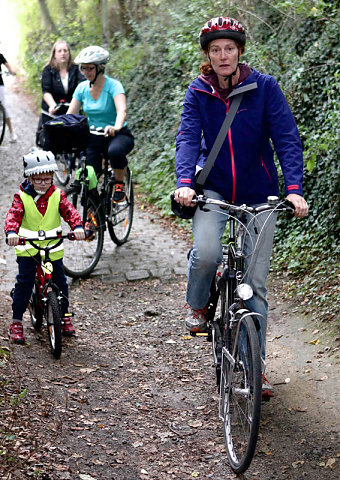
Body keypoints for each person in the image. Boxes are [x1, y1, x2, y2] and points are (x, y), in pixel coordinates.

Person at [173, 16, 308, 394]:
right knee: (206, 253)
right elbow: (187, 139)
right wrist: (185, 184)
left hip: (259, 192)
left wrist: (293, 188)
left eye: (229, 48)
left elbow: (286, 138)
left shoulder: (264, 88)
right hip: (213, 189)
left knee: (255, 285)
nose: (223, 55)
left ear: (240, 51)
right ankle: (198, 305)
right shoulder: (199, 91)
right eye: (215, 49)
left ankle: (255, 366)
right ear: (207, 55)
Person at [5, 150, 85, 344]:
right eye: (38, 179)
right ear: (30, 178)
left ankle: (64, 316)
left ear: (52, 178)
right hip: (28, 246)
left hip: (52, 245)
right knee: (24, 282)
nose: (43, 183)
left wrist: (77, 226)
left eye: (47, 179)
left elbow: (69, 211)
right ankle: (16, 321)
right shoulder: (21, 197)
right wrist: (11, 233)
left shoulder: (57, 194)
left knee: (60, 281)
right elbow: (13, 215)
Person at [67, 45, 134, 203]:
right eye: (83, 69)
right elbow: (71, 114)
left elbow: (121, 110)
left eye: (89, 68)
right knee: (88, 176)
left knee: (115, 151)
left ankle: (119, 185)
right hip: (95, 136)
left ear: (100, 68)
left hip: (118, 133)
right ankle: (92, 215)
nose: (86, 72)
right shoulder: (82, 88)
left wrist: (116, 127)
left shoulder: (114, 86)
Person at [37, 40, 84, 144]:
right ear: (54, 54)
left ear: (69, 53)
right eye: (59, 51)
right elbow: (46, 91)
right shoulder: (48, 70)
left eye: (65, 50)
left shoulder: (76, 69)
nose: (63, 53)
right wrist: (52, 105)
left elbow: (83, 85)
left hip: (71, 107)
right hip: (53, 109)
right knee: (51, 141)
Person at [0, 52, 17, 143]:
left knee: (3, 106)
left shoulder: (0, 56)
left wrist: (12, 71)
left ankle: (11, 133)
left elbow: (8, 66)